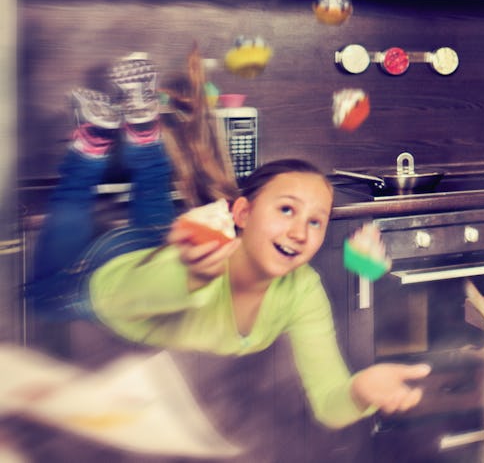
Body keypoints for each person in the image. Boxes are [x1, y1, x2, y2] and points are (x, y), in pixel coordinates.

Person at [26, 55, 428, 429]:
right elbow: (127, 295)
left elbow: (328, 402)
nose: (300, 232)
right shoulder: (204, 258)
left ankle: (143, 125)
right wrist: (193, 274)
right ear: (242, 215)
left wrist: (358, 392)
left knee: (152, 215)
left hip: (156, 250)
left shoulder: (301, 289)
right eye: (286, 210)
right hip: (104, 276)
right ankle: (91, 145)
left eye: (316, 221)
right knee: (45, 294)